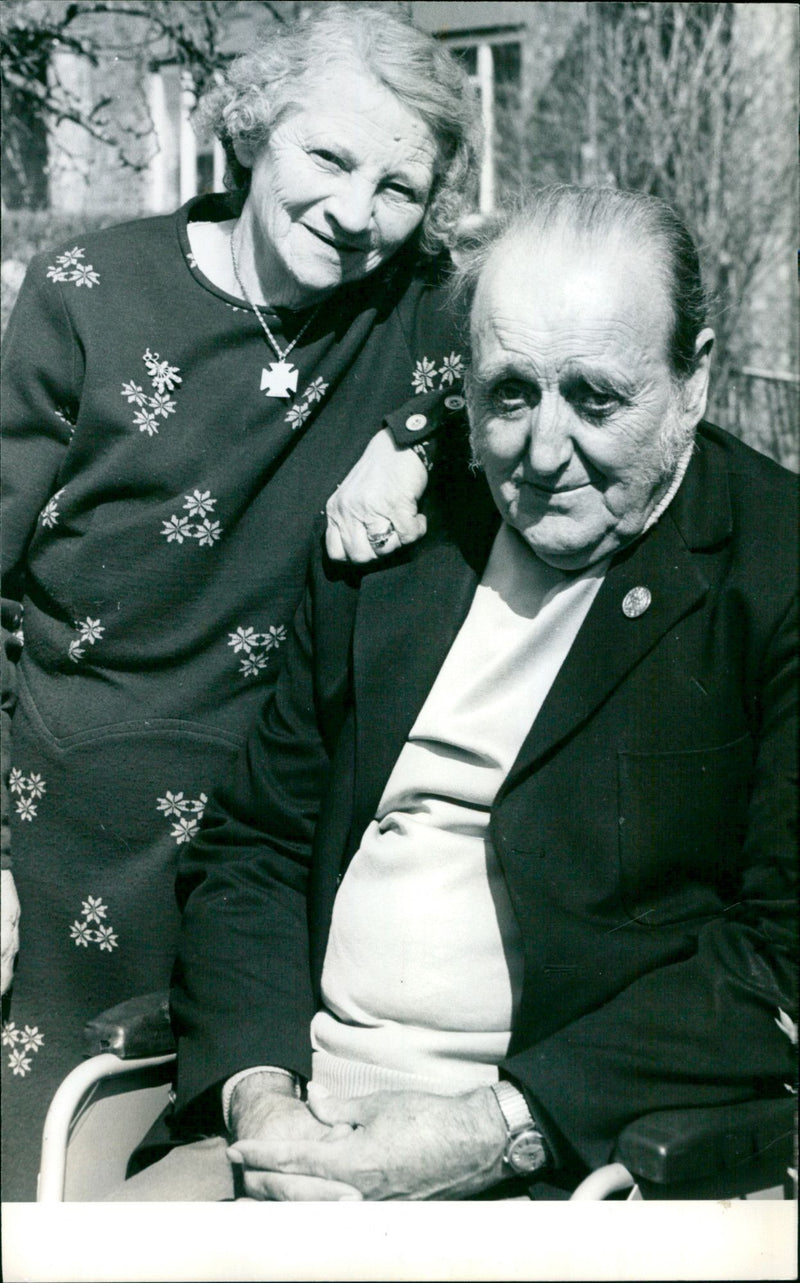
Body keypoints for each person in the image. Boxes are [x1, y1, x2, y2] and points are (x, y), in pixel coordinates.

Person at [114, 184, 797, 1202]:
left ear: (692, 379)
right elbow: (255, 844)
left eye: (596, 399)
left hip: (566, 1159)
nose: (541, 448)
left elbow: (777, 953)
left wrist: (491, 1129)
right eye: (508, 393)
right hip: (291, 1130)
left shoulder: (770, 568)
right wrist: (262, 1103)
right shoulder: (396, 535)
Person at [0, 3, 479, 1200]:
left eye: (399, 187)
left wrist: (419, 441)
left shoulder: (421, 309)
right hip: (66, 840)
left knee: (247, 1194)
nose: (356, 211)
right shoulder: (84, 296)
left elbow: (564, 351)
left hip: (277, 858)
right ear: (254, 129)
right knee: (46, 1186)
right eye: (328, 156)